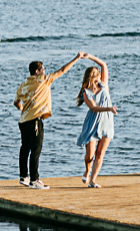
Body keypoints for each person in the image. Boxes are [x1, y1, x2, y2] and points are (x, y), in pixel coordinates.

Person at [14, 54, 84, 189]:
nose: (45, 71)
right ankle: (34, 180)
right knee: (36, 149)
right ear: (37, 71)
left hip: (23, 121)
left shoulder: (24, 85)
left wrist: (24, 110)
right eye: (43, 69)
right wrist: (77, 58)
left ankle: (24, 177)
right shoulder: (44, 80)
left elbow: (16, 102)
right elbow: (62, 70)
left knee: (25, 148)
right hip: (35, 120)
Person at [75, 53, 117, 188]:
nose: (98, 72)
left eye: (98, 71)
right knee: (90, 155)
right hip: (93, 122)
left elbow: (104, 64)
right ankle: (87, 170)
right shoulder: (86, 92)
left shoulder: (104, 84)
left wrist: (90, 56)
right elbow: (93, 107)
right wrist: (109, 108)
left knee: (100, 153)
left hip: (107, 122)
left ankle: (93, 180)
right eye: (95, 72)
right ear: (90, 76)